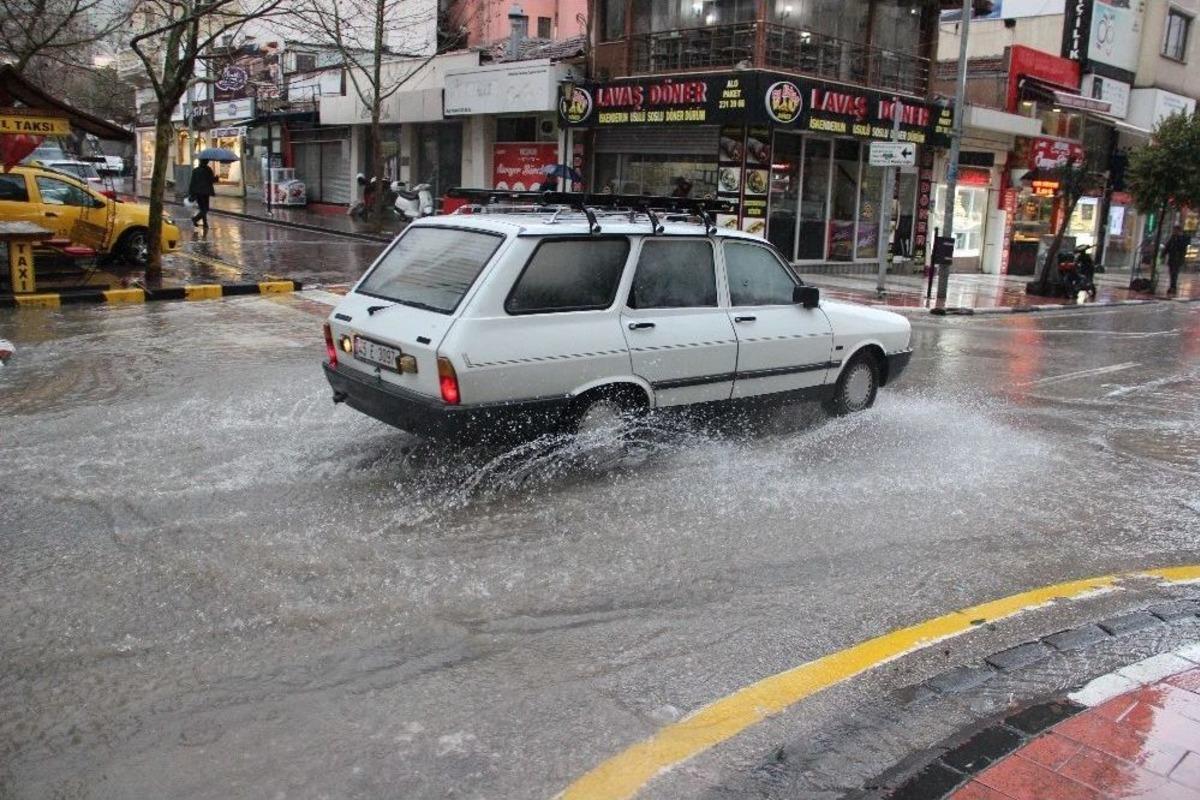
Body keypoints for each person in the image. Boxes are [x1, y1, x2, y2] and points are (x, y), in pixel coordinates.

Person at [1162, 223, 1191, 295]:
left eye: (1175, 230)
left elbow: (1183, 246)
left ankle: (1173, 287)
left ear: (1179, 231)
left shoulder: (1184, 238)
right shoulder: (1173, 237)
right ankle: (1172, 287)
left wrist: (1178, 238)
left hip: (1178, 259)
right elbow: (1168, 246)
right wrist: (1163, 254)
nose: (1174, 232)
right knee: (1171, 273)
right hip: (1172, 258)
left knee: (1174, 273)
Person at [187, 159, 216, 228]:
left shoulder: (195, 170)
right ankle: (195, 219)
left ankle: (205, 224)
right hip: (205, 192)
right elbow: (211, 180)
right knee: (205, 209)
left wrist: (191, 192)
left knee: (202, 209)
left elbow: (192, 182)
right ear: (206, 162)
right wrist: (216, 178)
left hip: (197, 192)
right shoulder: (208, 170)